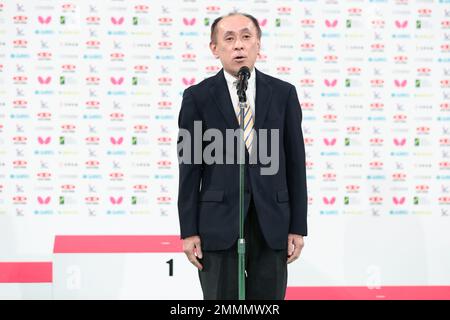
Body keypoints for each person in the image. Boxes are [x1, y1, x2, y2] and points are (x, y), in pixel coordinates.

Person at [177, 12, 308, 300]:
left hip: (271, 223)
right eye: (229, 38)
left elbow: (296, 164)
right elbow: (189, 167)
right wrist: (188, 231)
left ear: (258, 45)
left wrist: (298, 227)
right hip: (217, 225)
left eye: (247, 37)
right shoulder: (197, 97)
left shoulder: (284, 94)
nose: (239, 46)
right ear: (214, 48)